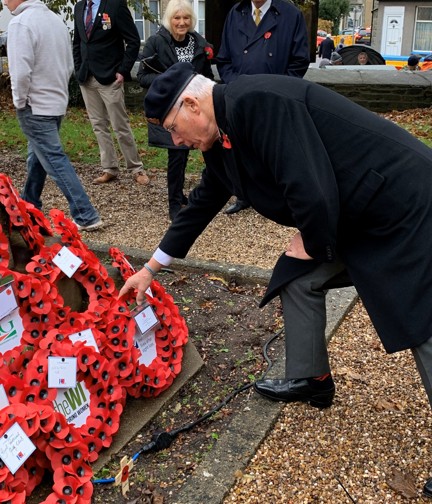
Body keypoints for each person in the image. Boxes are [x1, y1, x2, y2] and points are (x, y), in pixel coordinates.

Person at [119, 62, 432, 493]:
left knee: (422, 322)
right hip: (352, 213)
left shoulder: (261, 102)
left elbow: (312, 189)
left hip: (402, 203)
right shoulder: (219, 136)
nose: (177, 142)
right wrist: (150, 269)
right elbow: (202, 204)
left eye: (174, 129)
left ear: (191, 103)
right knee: (299, 279)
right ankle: (312, 379)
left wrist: (312, 241)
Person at [5, 0, 103, 232]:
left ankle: (85, 213)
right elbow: (68, 64)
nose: (5, 1)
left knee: (54, 159)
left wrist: (19, 102)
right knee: (38, 156)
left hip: (35, 104)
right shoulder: (55, 21)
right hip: (56, 101)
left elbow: (19, 71)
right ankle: (28, 204)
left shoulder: (21, 23)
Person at [217, 0, 310, 215]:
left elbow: (299, 61)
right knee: (242, 146)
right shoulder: (235, 12)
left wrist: (278, 90)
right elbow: (224, 59)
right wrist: (235, 86)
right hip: (240, 97)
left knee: (275, 148)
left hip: (275, 98)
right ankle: (244, 195)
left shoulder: (290, 14)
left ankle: (277, 198)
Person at [137, 0, 213, 221]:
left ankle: (202, 195)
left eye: (186, 18)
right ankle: (174, 203)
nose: (182, 22)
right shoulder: (155, 42)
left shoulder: (199, 43)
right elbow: (142, 77)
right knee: (177, 154)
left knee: (209, 150)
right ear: (169, 20)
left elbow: (206, 74)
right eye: (177, 18)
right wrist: (172, 80)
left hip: (197, 107)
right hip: (172, 108)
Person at [73, 0, 149, 186]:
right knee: (99, 125)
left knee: (120, 125)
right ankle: (109, 168)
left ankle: (136, 168)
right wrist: (78, 68)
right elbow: (78, 42)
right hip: (86, 77)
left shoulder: (115, 5)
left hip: (110, 77)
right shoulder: (80, 7)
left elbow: (132, 41)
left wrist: (123, 71)